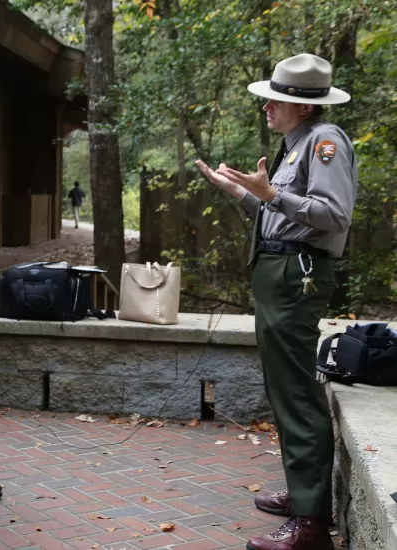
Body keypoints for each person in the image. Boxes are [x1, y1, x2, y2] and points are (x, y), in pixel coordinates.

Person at [195, 53, 355, 550]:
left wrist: (270, 196)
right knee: (283, 389)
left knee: (298, 394)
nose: (266, 106)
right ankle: (303, 493)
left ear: (304, 107)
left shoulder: (325, 142)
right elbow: (281, 216)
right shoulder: (294, 144)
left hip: (297, 277)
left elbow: (333, 215)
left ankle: (310, 525)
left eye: (276, 99)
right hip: (279, 273)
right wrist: (242, 194)